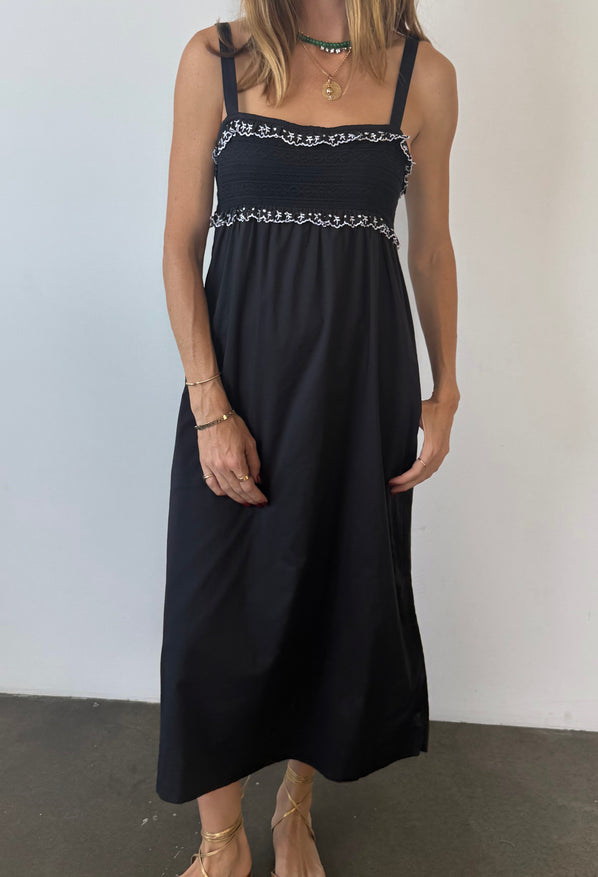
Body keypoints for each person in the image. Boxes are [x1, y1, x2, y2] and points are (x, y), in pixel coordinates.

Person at [157, 1, 459, 875]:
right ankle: (221, 842)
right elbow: (179, 244)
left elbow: (430, 250)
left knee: (331, 598)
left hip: (360, 388)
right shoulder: (216, 58)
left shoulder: (424, 76)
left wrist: (444, 391)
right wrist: (209, 404)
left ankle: (296, 805)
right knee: (213, 614)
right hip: (238, 390)